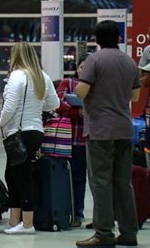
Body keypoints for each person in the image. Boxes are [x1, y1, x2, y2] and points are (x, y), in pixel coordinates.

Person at [74, 20, 140, 247]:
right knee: (123, 182)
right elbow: (135, 97)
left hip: (101, 129)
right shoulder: (130, 61)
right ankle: (130, 233)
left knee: (100, 182)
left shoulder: (95, 60)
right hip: (124, 128)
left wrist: (80, 83)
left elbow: (82, 91)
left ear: (97, 39)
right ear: (118, 37)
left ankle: (103, 233)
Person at [0, 42, 59, 235]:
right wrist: (35, 108)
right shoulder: (42, 76)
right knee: (13, 175)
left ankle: (27, 224)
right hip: (35, 130)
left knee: (21, 177)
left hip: (18, 132)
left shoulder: (17, 76)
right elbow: (53, 103)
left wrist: (0, 121)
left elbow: (10, 106)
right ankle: (15, 221)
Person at [55, 55, 88, 227]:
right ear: (77, 68)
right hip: (67, 139)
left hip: (87, 140)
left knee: (80, 179)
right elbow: (58, 103)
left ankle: (78, 213)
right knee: (65, 178)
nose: (85, 70)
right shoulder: (67, 83)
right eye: (82, 66)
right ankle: (65, 211)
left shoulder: (96, 85)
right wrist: (79, 113)